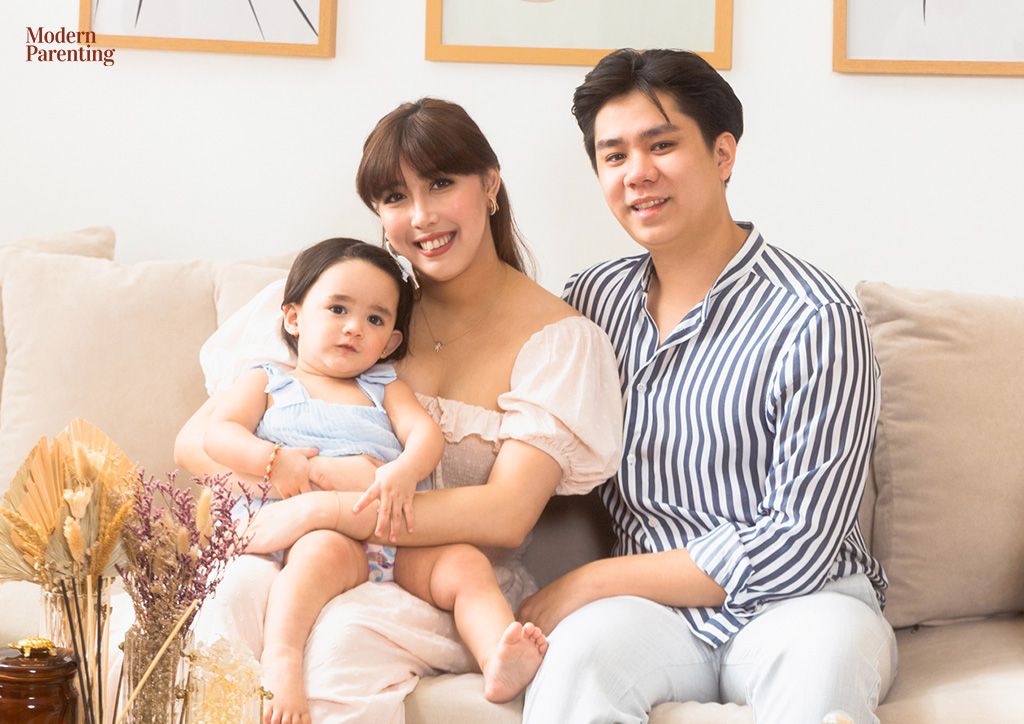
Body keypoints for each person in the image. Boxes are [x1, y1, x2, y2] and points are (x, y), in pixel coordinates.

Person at [176, 97, 623, 723]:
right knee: (232, 600)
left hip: (437, 580)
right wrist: (301, 478)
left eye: (441, 184)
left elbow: (505, 515)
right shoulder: (345, 307)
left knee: (344, 638)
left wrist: (330, 508)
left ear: (490, 185)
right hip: (300, 548)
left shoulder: (559, 343)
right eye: (394, 197)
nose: (421, 216)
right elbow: (195, 443)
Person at [516, 49, 898, 724]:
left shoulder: (817, 316)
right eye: (614, 155)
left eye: (661, 145)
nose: (637, 173)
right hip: (652, 617)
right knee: (576, 663)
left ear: (723, 154)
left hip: (803, 605)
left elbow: (798, 544)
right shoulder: (590, 301)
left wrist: (591, 580)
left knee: (826, 666)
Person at [203, 237, 550, 724]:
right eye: (338, 309)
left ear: (389, 343)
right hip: (306, 536)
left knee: (466, 565)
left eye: (375, 319)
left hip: (388, 536)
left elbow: (424, 435)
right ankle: (282, 657)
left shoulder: (384, 385)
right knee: (318, 554)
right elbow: (218, 433)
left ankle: (497, 653)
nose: (354, 327)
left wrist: (404, 469)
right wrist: (272, 460)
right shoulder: (268, 381)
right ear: (294, 318)